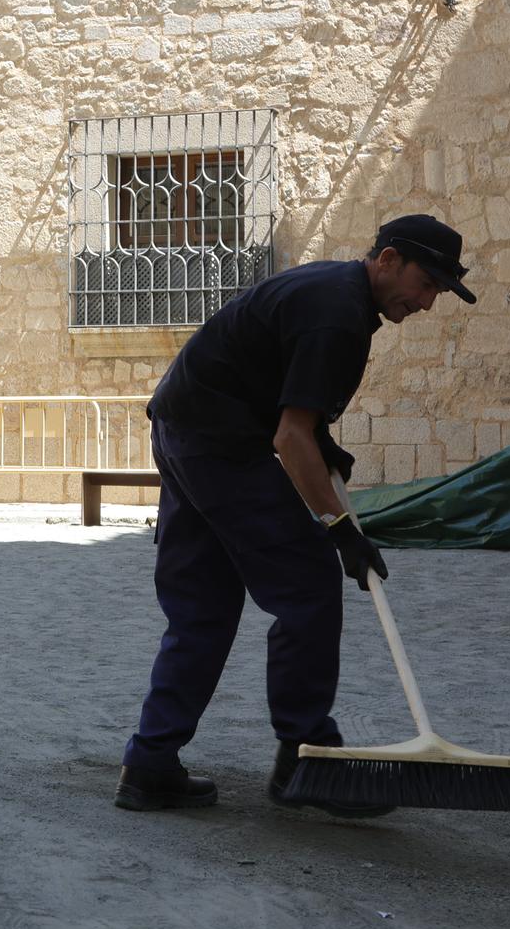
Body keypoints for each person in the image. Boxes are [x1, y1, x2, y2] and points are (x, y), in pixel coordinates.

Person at [114, 214, 477, 819]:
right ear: (387, 260)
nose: (427, 302)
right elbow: (290, 437)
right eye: (426, 282)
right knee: (308, 585)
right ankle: (307, 760)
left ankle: (150, 763)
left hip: (182, 427)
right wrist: (340, 531)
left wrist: (323, 445)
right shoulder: (338, 313)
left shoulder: (336, 294)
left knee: (202, 606)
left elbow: (286, 403)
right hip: (220, 444)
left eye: (438, 290)